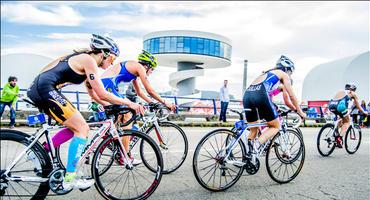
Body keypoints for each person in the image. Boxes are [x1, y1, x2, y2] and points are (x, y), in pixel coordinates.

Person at [27, 34, 144, 191]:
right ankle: (70, 178)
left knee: (74, 128)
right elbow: (102, 93)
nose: (113, 62)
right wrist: (129, 103)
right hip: (45, 89)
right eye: (113, 58)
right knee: (82, 129)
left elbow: (93, 92)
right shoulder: (89, 61)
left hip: (42, 88)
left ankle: (40, 151)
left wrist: (104, 105)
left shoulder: (82, 59)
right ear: (105, 53)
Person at [46, 50, 176, 165]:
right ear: (147, 66)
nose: (151, 73)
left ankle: (112, 145)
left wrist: (152, 102)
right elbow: (150, 90)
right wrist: (165, 102)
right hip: (107, 85)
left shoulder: (134, 72)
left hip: (105, 86)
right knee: (128, 115)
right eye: (152, 70)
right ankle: (125, 156)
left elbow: (141, 93)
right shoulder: (139, 67)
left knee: (119, 121)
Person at [242, 55, 306, 164]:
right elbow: (292, 96)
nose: (290, 75)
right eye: (291, 72)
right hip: (261, 95)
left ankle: (248, 155)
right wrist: (300, 112)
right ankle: (255, 147)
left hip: (247, 95)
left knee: (254, 130)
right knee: (276, 126)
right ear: (287, 69)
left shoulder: (267, 73)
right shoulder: (284, 74)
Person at [328, 83, 367, 148]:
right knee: (347, 122)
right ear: (353, 89)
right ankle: (339, 138)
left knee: (341, 120)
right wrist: (364, 112)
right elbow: (358, 106)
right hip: (340, 106)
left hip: (331, 105)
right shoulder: (352, 93)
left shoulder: (340, 91)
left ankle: (335, 134)